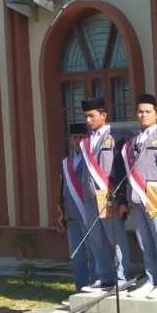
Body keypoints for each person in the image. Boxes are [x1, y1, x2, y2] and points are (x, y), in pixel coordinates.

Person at [121, 94, 157, 300]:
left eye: (147, 111)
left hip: (156, 196)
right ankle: (151, 279)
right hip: (136, 197)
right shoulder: (132, 142)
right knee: (144, 241)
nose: (143, 115)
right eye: (140, 112)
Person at [77, 97, 132, 293]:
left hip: (108, 195)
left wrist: (121, 198)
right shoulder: (85, 142)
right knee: (96, 239)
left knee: (115, 237)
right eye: (86, 117)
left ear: (104, 115)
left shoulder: (116, 139)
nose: (88, 120)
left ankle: (123, 277)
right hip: (90, 196)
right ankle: (105, 277)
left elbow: (123, 171)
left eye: (92, 116)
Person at [58, 122, 96, 292]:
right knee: (77, 256)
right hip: (72, 216)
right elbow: (63, 189)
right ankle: (80, 289)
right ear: (70, 139)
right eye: (75, 137)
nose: (78, 141)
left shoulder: (92, 159)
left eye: (82, 137)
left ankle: (96, 284)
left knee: (93, 254)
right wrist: (61, 213)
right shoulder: (66, 162)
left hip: (88, 214)